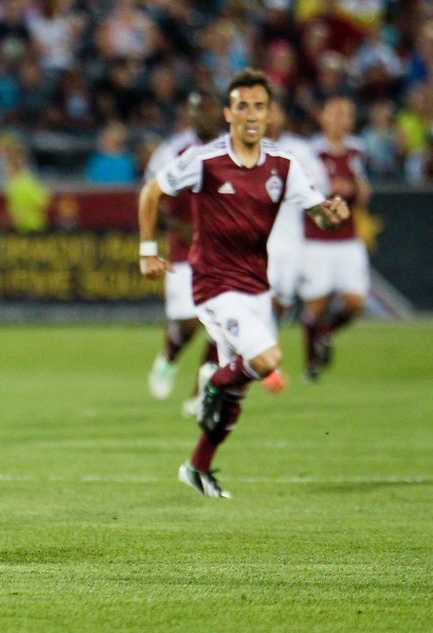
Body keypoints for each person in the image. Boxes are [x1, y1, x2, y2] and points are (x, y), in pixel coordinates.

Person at [138, 69, 349, 498]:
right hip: (214, 285)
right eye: (242, 106)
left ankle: (197, 467)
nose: (251, 115)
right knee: (266, 360)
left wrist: (333, 213)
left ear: (269, 114)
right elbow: (151, 193)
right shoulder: (205, 160)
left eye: (259, 106)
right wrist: (146, 252)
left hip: (256, 286)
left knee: (241, 389)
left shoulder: (283, 167)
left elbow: (319, 214)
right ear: (228, 113)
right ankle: (212, 379)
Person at [143, 89, 223, 416]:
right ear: (189, 115)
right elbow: (150, 196)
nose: (204, 115)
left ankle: (200, 394)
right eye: (197, 109)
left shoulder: (236, 149)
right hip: (184, 252)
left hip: (224, 252)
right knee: (188, 323)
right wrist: (175, 223)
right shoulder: (172, 151)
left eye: (209, 108)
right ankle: (169, 357)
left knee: (223, 326)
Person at [299, 95, 372, 381]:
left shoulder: (356, 149)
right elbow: (313, 191)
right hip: (317, 239)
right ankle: (311, 366)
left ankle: (325, 336)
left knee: (356, 302)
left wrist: (355, 189)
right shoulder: (311, 151)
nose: (341, 119)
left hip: (348, 238)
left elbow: (360, 189)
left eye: (346, 114)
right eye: (336, 113)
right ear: (323, 117)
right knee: (315, 306)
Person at [263, 94, 331, 392]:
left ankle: (255, 351)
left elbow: (320, 186)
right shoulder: (243, 147)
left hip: (290, 236)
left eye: (274, 110)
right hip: (254, 235)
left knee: (281, 302)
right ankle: (264, 362)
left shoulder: (299, 149)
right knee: (254, 298)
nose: (270, 116)